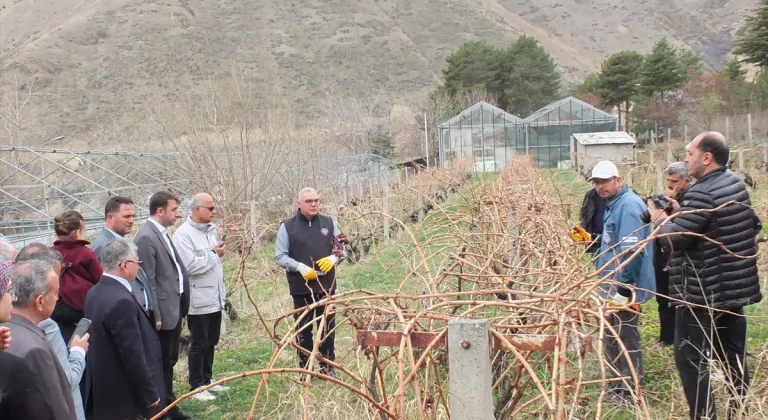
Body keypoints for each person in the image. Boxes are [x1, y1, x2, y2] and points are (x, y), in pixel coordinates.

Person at [650, 132, 762, 420]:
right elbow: (753, 225)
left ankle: (704, 416)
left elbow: (673, 241)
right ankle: (739, 412)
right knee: (733, 357)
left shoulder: (702, 191)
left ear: (707, 157)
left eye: (690, 153)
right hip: (732, 291)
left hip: (700, 294)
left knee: (690, 360)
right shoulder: (735, 185)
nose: (686, 159)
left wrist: (660, 220)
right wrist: (683, 213)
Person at [590, 160, 655, 407]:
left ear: (618, 180)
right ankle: (618, 386)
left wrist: (623, 291)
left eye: (605, 181)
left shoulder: (628, 207)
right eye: (596, 182)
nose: (600, 187)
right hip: (611, 285)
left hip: (623, 289)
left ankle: (629, 392)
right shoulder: (613, 204)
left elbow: (631, 252)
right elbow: (614, 243)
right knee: (611, 335)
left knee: (625, 337)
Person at [83, 238, 164, 420]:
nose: (139, 267)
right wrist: (150, 393)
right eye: (137, 262)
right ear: (124, 265)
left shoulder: (94, 292)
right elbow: (132, 354)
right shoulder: (122, 301)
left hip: (104, 389)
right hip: (125, 394)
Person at [275, 187, 346, 379]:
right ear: (299, 204)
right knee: (304, 329)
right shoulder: (287, 227)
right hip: (301, 287)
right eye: (309, 201)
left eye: (316, 200)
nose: (314, 204)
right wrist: (299, 267)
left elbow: (342, 247)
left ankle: (327, 366)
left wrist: (334, 258)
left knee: (327, 327)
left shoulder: (329, 223)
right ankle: (305, 369)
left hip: (326, 285)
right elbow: (280, 256)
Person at [135, 191, 190, 420]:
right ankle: (165, 409)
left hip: (173, 307)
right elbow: (149, 280)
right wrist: (156, 314)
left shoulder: (163, 233)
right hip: (163, 312)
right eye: (174, 210)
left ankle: (170, 402)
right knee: (164, 361)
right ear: (160, 211)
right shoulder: (146, 237)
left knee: (171, 359)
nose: (178, 214)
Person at [0, 259, 77, 420]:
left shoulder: (6, 332)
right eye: (56, 292)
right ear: (40, 301)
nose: (58, 298)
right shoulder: (34, 350)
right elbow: (55, 410)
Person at [173, 193, 230, 401]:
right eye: (210, 208)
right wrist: (214, 254)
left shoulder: (211, 230)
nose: (214, 211)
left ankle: (208, 380)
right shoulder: (183, 235)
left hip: (215, 296)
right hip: (198, 298)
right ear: (197, 209)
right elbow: (189, 266)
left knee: (212, 341)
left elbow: (213, 259)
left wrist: (216, 253)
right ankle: (196, 386)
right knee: (199, 342)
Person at [91, 196, 156, 324]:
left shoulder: (123, 241)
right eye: (126, 216)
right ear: (110, 217)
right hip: (126, 316)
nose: (131, 220)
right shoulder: (103, 246)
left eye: (133, 216)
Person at [652, 162, 691, 348]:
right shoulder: (667, 199)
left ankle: (682, 340)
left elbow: (680, 233)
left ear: (687, 181)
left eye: (674, 181)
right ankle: (666, 339)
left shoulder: (693, 200)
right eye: (668, 180)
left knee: (679, 302)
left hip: (679, 260)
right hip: (661, 256)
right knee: (662, 298)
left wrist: (676, 213)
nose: (670, 185)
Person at [50, 210, 103, 342]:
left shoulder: (49, 253)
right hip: (83, 312)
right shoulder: (86, 254)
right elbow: (100, 280)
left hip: (56, 308)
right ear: (79, 232)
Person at [578, 186, 606, 254]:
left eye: (603, 181)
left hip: (614, 245)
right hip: (595, 244)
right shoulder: (590, 195)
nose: (600, 185)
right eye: (597, 182)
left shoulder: (623, 198)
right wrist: (583, 234)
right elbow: (584, 215)